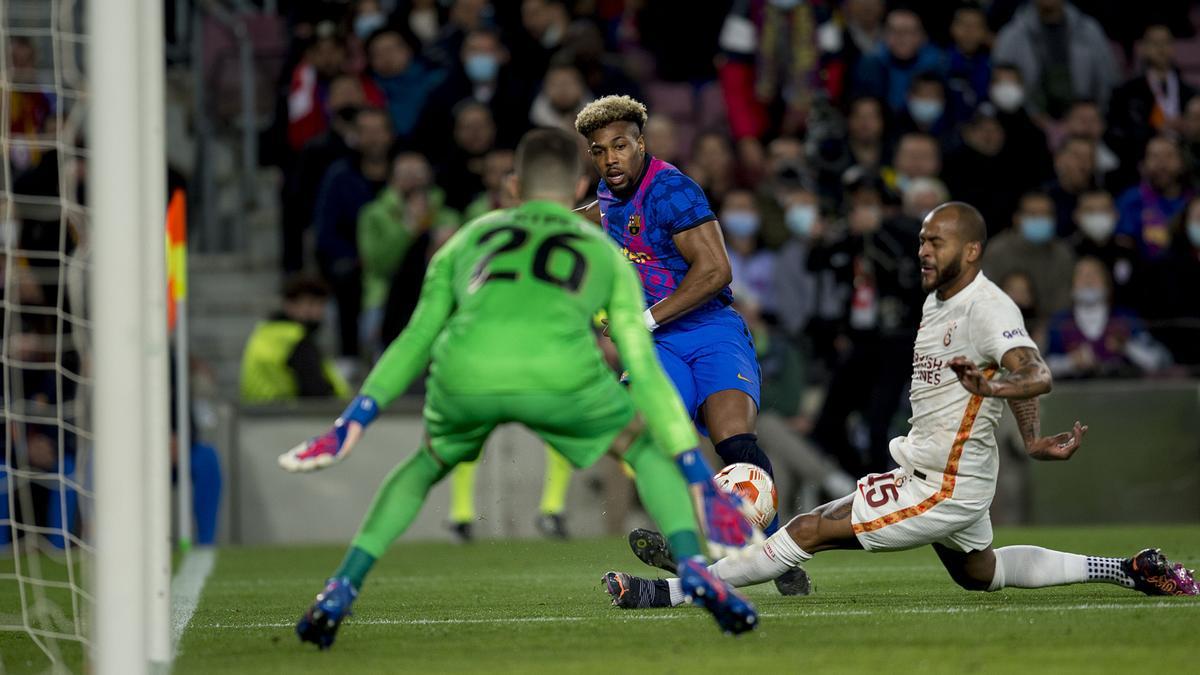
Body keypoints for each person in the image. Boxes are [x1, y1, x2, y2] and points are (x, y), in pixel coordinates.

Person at [280, 128, 762, 649]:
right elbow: (642, 369)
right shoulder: (605, 255)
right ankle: (693, 565)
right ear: (581, 182)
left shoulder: (468, 238)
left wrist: (355, 419)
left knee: (422, 466)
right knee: (643, 450)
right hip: (560, 373)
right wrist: (696, 471)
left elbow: (414, 339)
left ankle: (341, 587)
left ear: (513, 187)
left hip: (469, 371)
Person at [603, 201, 1197, 609]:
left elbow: (1032, 372)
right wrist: (1033, 438)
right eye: (921, 241)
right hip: (935, 471)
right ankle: (1130, 569)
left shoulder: (987, 308)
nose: (923, 250)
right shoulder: (940, 301)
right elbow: (1005, 373)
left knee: (809, 529)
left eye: (935, 241)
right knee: (979, 573)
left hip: (945, 483)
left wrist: (1001, 393)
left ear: (971, 250)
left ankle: (675, 592)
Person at [573, 95, 809, 593]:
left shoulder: (674, 190)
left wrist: (642, 319)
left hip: (709, 328)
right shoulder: (609, 193)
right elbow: (598, 215)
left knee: (736, 446)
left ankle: (777, 557)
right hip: (658, 342)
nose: (610, 158)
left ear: (642, 144)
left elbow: (717, 270)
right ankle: (693, 544)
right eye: (599, 150)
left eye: (620, 146)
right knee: (653, 437)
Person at [356, 152, 460, 356]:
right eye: (406, 174)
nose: (413, 180)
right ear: (392, 179)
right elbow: (379, 265)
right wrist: (409, 228)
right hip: (384, 299)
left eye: (419, 174)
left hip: (440, 296)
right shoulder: (374, 215)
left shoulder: (448, 216)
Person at [313, 106, 394, 359]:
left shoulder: (404, 172)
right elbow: (325, 232)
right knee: (346, 278)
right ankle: (349, 357)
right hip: (356, 263)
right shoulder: (339, 176)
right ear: (355, 136)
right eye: (365, 132)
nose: (373, 138)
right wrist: (359, 258)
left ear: (390, 135)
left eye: (378, 131)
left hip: (398, 262)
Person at [1044, 257, 1171, 379]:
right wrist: (1070, 362)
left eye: (1095, 275)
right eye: (1081, 275)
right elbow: (1039, 368)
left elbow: (1157, 362)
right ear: (1072, 286)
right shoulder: (1059, 322)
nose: (1088, 280)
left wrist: (1127, 347)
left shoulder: (1126, 318)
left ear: (1107, 284)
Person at [992, 0, 1117, 121]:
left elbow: (1108, 79)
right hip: (1028, 124)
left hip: (1084, 122)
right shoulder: (1011, 35)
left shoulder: (1088, 30)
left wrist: (1092, 116)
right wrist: (1033, 116)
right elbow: (1000, 86)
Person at [240, 274, 350, 403]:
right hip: (289, 417)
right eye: (310, 304)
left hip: (264, 413)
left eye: (321, 304)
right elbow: (316, 390)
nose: (316, 312)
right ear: (289, 305)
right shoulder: (295, 339)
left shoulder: (266, 334)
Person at [1107, 25, 1197, 174]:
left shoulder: (1190, 93)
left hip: (1184, 161)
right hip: (1139, 162)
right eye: (1154, 43)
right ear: (1142, 48)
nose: (1161, 48)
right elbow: (1116, 133)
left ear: (1173, 48)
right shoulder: (1126, 92)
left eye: (1166, 42)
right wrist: (1155, 129)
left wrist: (1189, 128)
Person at [982, 192, 1075, 323]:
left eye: (1045, 214)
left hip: (1051, 329)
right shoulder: (997, 251)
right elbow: (986, 299)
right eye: (1033, 214)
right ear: (1017, 219)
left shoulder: (1063, 254)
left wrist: (1045, 328)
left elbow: (1063, 302)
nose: (1040, 219)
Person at [1114, 135, 1194, 261]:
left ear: (1182, 162)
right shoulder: (1130, 200)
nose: (1162, 164)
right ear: (1143, 164)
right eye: (1154, 157)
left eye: (1169, 156)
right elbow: (1123, 245)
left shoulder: (1194, 202)